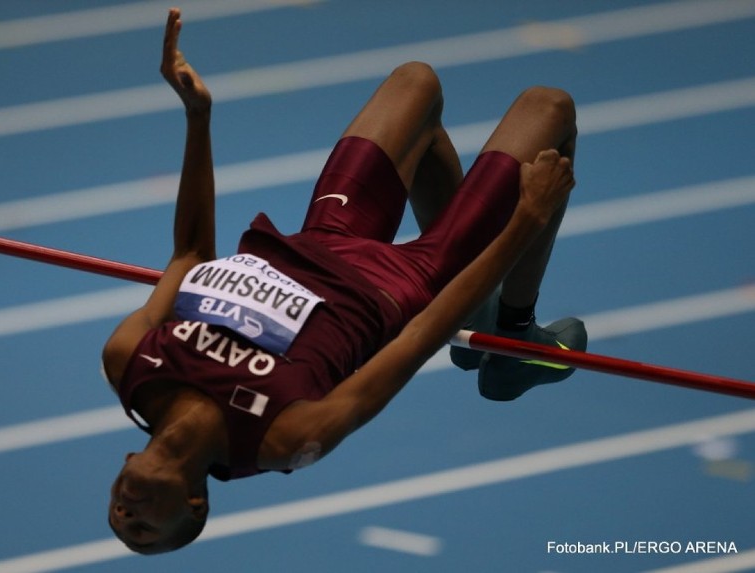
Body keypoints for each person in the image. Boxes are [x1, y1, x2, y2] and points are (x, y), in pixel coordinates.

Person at [101, 8, 586, 554]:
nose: (125, 512)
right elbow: (419, 337)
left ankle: (490, 320)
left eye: (115, 515)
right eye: (140, 528)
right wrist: (526, 221)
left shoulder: (129, 362)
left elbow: (189, 252)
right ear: (195, 503)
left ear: (124, 464)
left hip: (326, 229)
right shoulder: (284, 439)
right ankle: (515, 338)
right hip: (407, 279)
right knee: (550, 108)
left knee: (415, 82)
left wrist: (197, 115)